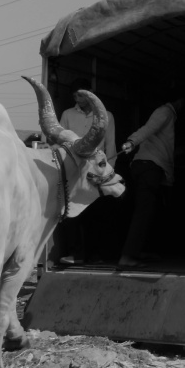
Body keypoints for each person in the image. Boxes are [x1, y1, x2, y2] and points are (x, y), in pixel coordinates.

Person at [117, 93, 185, 268]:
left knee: (149, 211)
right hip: (149, 167)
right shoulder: (165, 111)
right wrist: (132, 142)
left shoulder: (169, 115)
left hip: (146, 167)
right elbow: (148, 128)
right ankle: (127, 257)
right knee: (143, 213)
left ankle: (140, 251)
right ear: (180, 100)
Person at [56, 78, 117, 265]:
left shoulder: (106, 115)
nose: (78, 100)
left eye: (81, 95)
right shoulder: (67, 114)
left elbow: (111, 147)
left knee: (96, 215)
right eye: (75, 96)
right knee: (72, 213)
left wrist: (108, 175)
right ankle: (75, 254)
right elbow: (59, 142)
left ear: (90, 93)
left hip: (97, 173)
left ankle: (95, 255)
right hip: (73, 172)